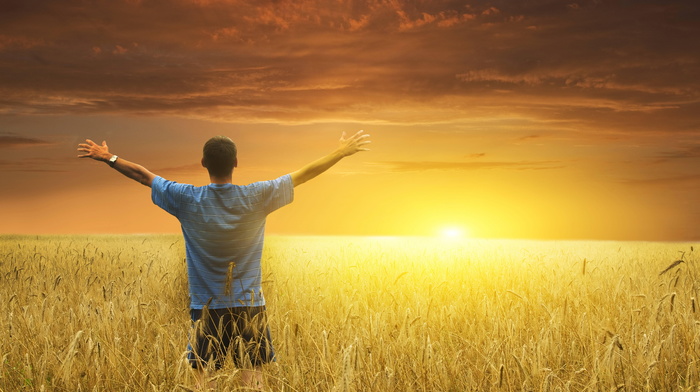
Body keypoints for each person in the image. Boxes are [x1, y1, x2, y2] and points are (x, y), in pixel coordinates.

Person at [77, 130, 371, 391]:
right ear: (236, 163)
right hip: (249, 304)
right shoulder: (256, 197)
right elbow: (303, 174)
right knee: (253, 378)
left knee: (203, 379)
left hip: (206, 307)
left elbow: (144, 175)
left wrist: (108, 157)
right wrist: (340, 152)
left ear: (203, 163)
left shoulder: (186, 198)